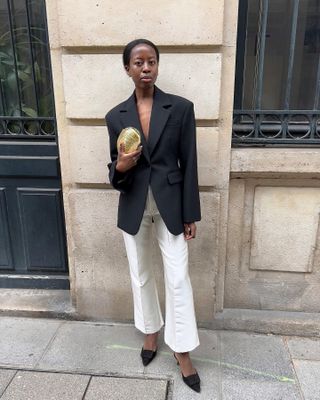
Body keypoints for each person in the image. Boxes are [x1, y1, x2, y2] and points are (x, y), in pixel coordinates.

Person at [105, 38, 201, 393]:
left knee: (178, 278)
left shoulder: (180, 108)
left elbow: (190, 163)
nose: (146, 68)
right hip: (133, 205)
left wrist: (191, 212)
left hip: (171, 205)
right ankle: (151, 332)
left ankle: (182, 350)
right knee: (141, 275)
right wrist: (121, 166)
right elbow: (115, 174)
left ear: (157, 66)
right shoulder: (115, 116)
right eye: (138, 62)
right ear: (127, 68)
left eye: (151, 61)